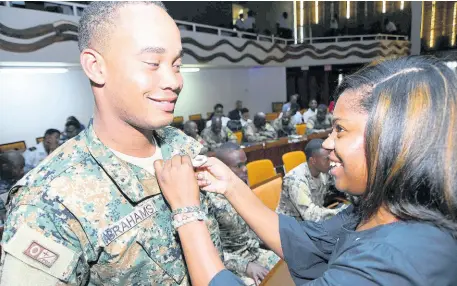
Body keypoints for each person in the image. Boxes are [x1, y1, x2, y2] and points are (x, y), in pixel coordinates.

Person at [153, 56, 457, 286]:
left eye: (340, 130)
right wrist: (230, 185)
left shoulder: (393, 264)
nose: (327, 142)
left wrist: (186, 211)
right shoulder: (378, 209)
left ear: (394, 143)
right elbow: (305, 242)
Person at [0, 2, 224, 285]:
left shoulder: (181, 146)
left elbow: (223, 241)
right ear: (96, 67)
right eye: (153, 64)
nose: (174, 81)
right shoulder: (48, 200)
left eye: (177, 65)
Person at [210, 143, 279, 285]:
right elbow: (210, 252)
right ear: (222, 168)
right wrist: (246, 266)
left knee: (291, 264)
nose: (245, 169)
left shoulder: (242, 188)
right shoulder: (209, 201)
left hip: (254, 252)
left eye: (245, 163)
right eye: (238, 165)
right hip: (231, 264)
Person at [276, 139, 340, 222]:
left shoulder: (324, 171)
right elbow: (310, 215)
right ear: (313, 161)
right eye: (326, 159)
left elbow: (340, 188)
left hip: (309, 222)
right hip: (289, 225)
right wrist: (339, 212)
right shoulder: (296, 180)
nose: (331, 162)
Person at [0, 151, 25, 224]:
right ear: (5, 167)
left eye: (23, 167)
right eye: (19, 168)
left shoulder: (28, 174)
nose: (22, 171)